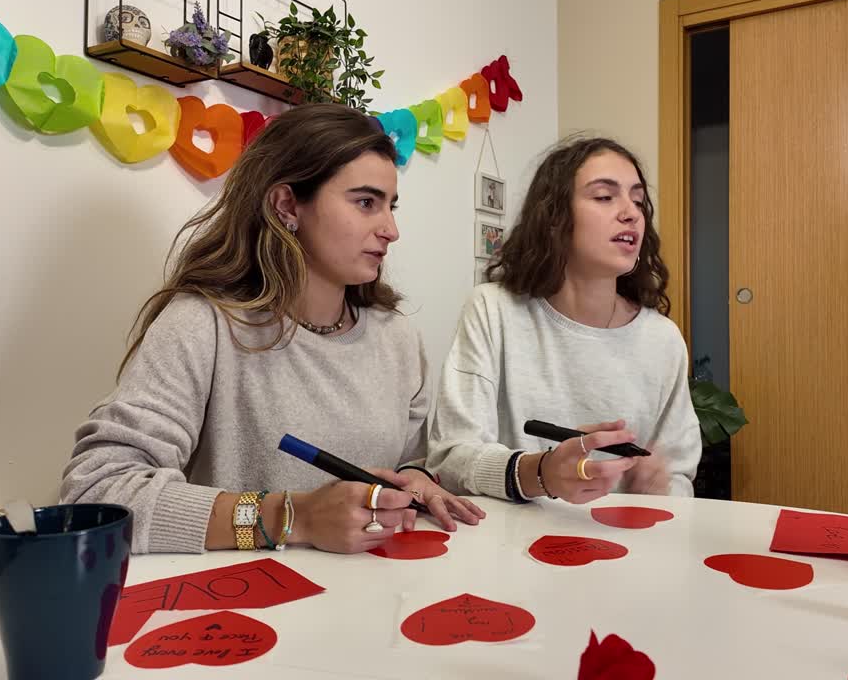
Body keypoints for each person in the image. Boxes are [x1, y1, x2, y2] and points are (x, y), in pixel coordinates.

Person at [61, 104, 484, 555]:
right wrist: (292, 517)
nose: (391, 230)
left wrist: (417, 481)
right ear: (287, 205)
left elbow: (408, 461)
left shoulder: (398, 338)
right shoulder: (202, 324)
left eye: (390, 205)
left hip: (374, 599)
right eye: (366, 203)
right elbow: (98, 492)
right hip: (238, 611)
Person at [426, 137, 702, 504]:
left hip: (628, 547)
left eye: (637, 200)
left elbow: (680, 472)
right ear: (555, 218)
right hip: (507, 548)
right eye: (605, 197)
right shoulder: (493, 310)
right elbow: (451, 458)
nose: (631, 213)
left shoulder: (662, 339)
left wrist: (660, 488)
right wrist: (540, 472)